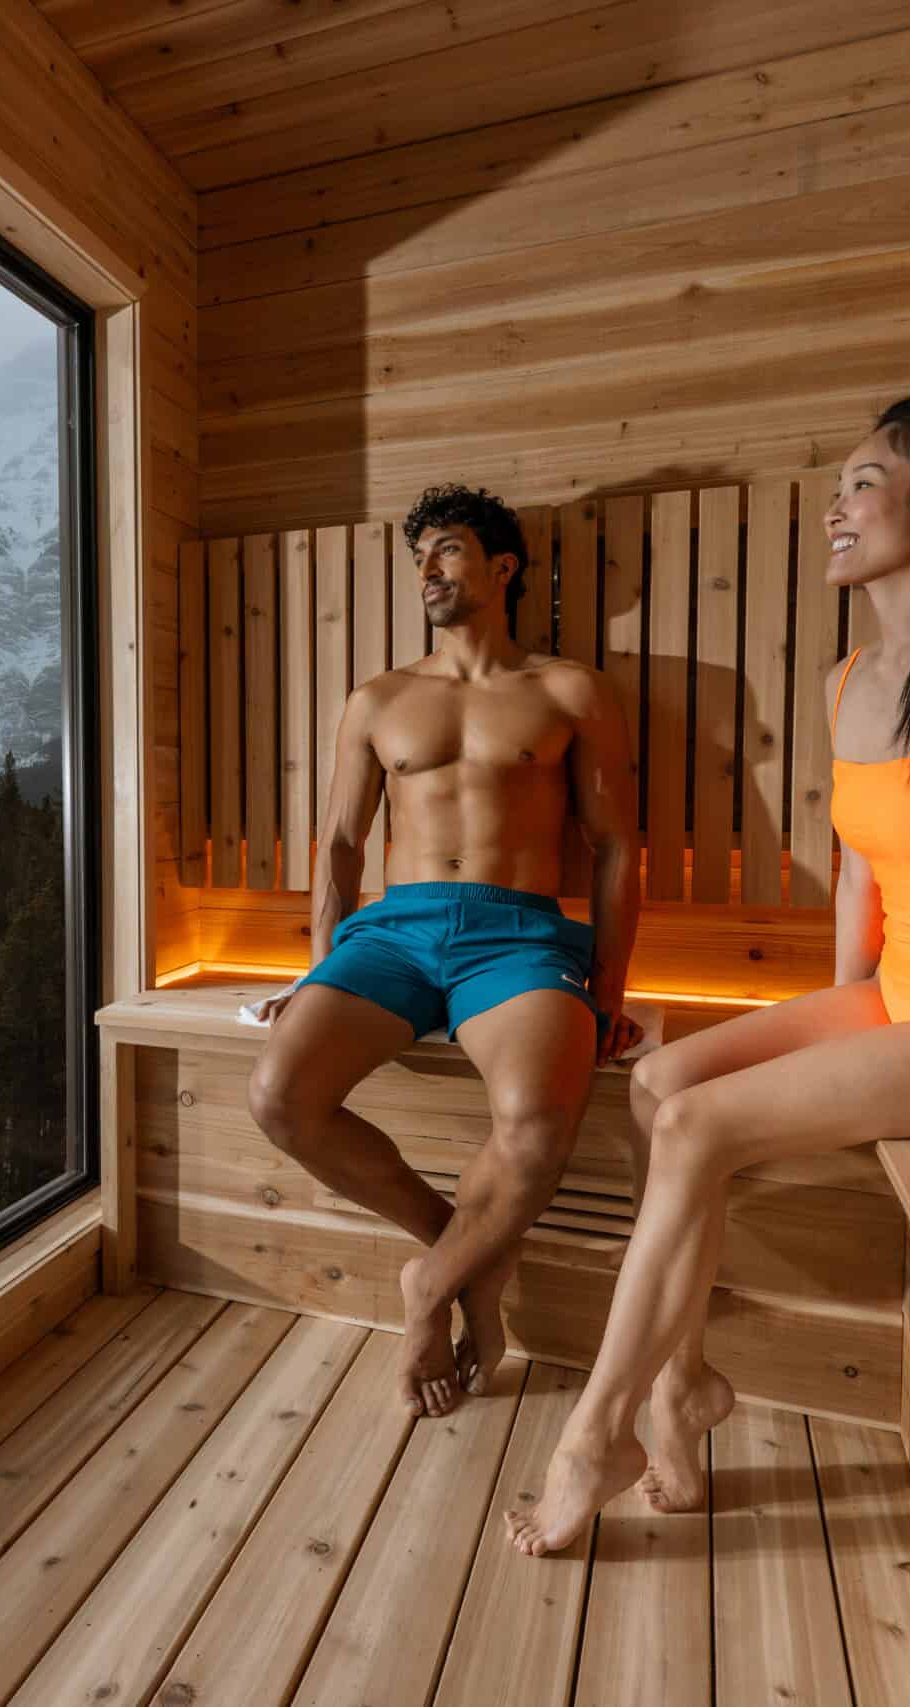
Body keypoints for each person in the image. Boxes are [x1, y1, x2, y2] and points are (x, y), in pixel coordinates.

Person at [504, 394, 910, 1553]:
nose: (833, 509)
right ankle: (684, 1384)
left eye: (862, 483)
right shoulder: (846, 679)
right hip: (902, 992)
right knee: (659, 1086)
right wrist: (837, 1030)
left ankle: (596, 1434)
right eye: (839, 486)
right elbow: (862, 880)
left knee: (696, 1125)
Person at [247, 483, 646, 1420]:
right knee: (279, 1096)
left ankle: (427, 1286)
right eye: (419, 553)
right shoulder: (379, 698)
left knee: (539, 1127)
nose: (428, 567)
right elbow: (342, 847)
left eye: (449, 549)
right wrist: (317, 969)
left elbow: (617, 845)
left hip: (518, 934)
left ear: (502, 567)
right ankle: (467, 1260)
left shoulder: (569, 689)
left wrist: (607, 987)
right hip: (391, 932)